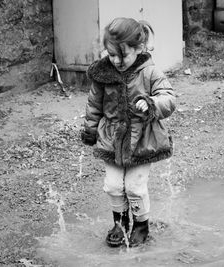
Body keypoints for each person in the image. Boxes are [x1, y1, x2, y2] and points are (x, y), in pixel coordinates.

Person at [81, 17, 176, 247]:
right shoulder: (103, 75)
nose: (116, 60)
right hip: (112, 138)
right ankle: (120, 223)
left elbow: (169, 98)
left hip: (143, 139)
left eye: (122, 55)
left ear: (139, 48)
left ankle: (141, 225)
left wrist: (152, 103)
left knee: (134, 187)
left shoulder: (150, 72)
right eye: (111, 55)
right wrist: (90, 129)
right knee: (113, 185)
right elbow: (94, 104)